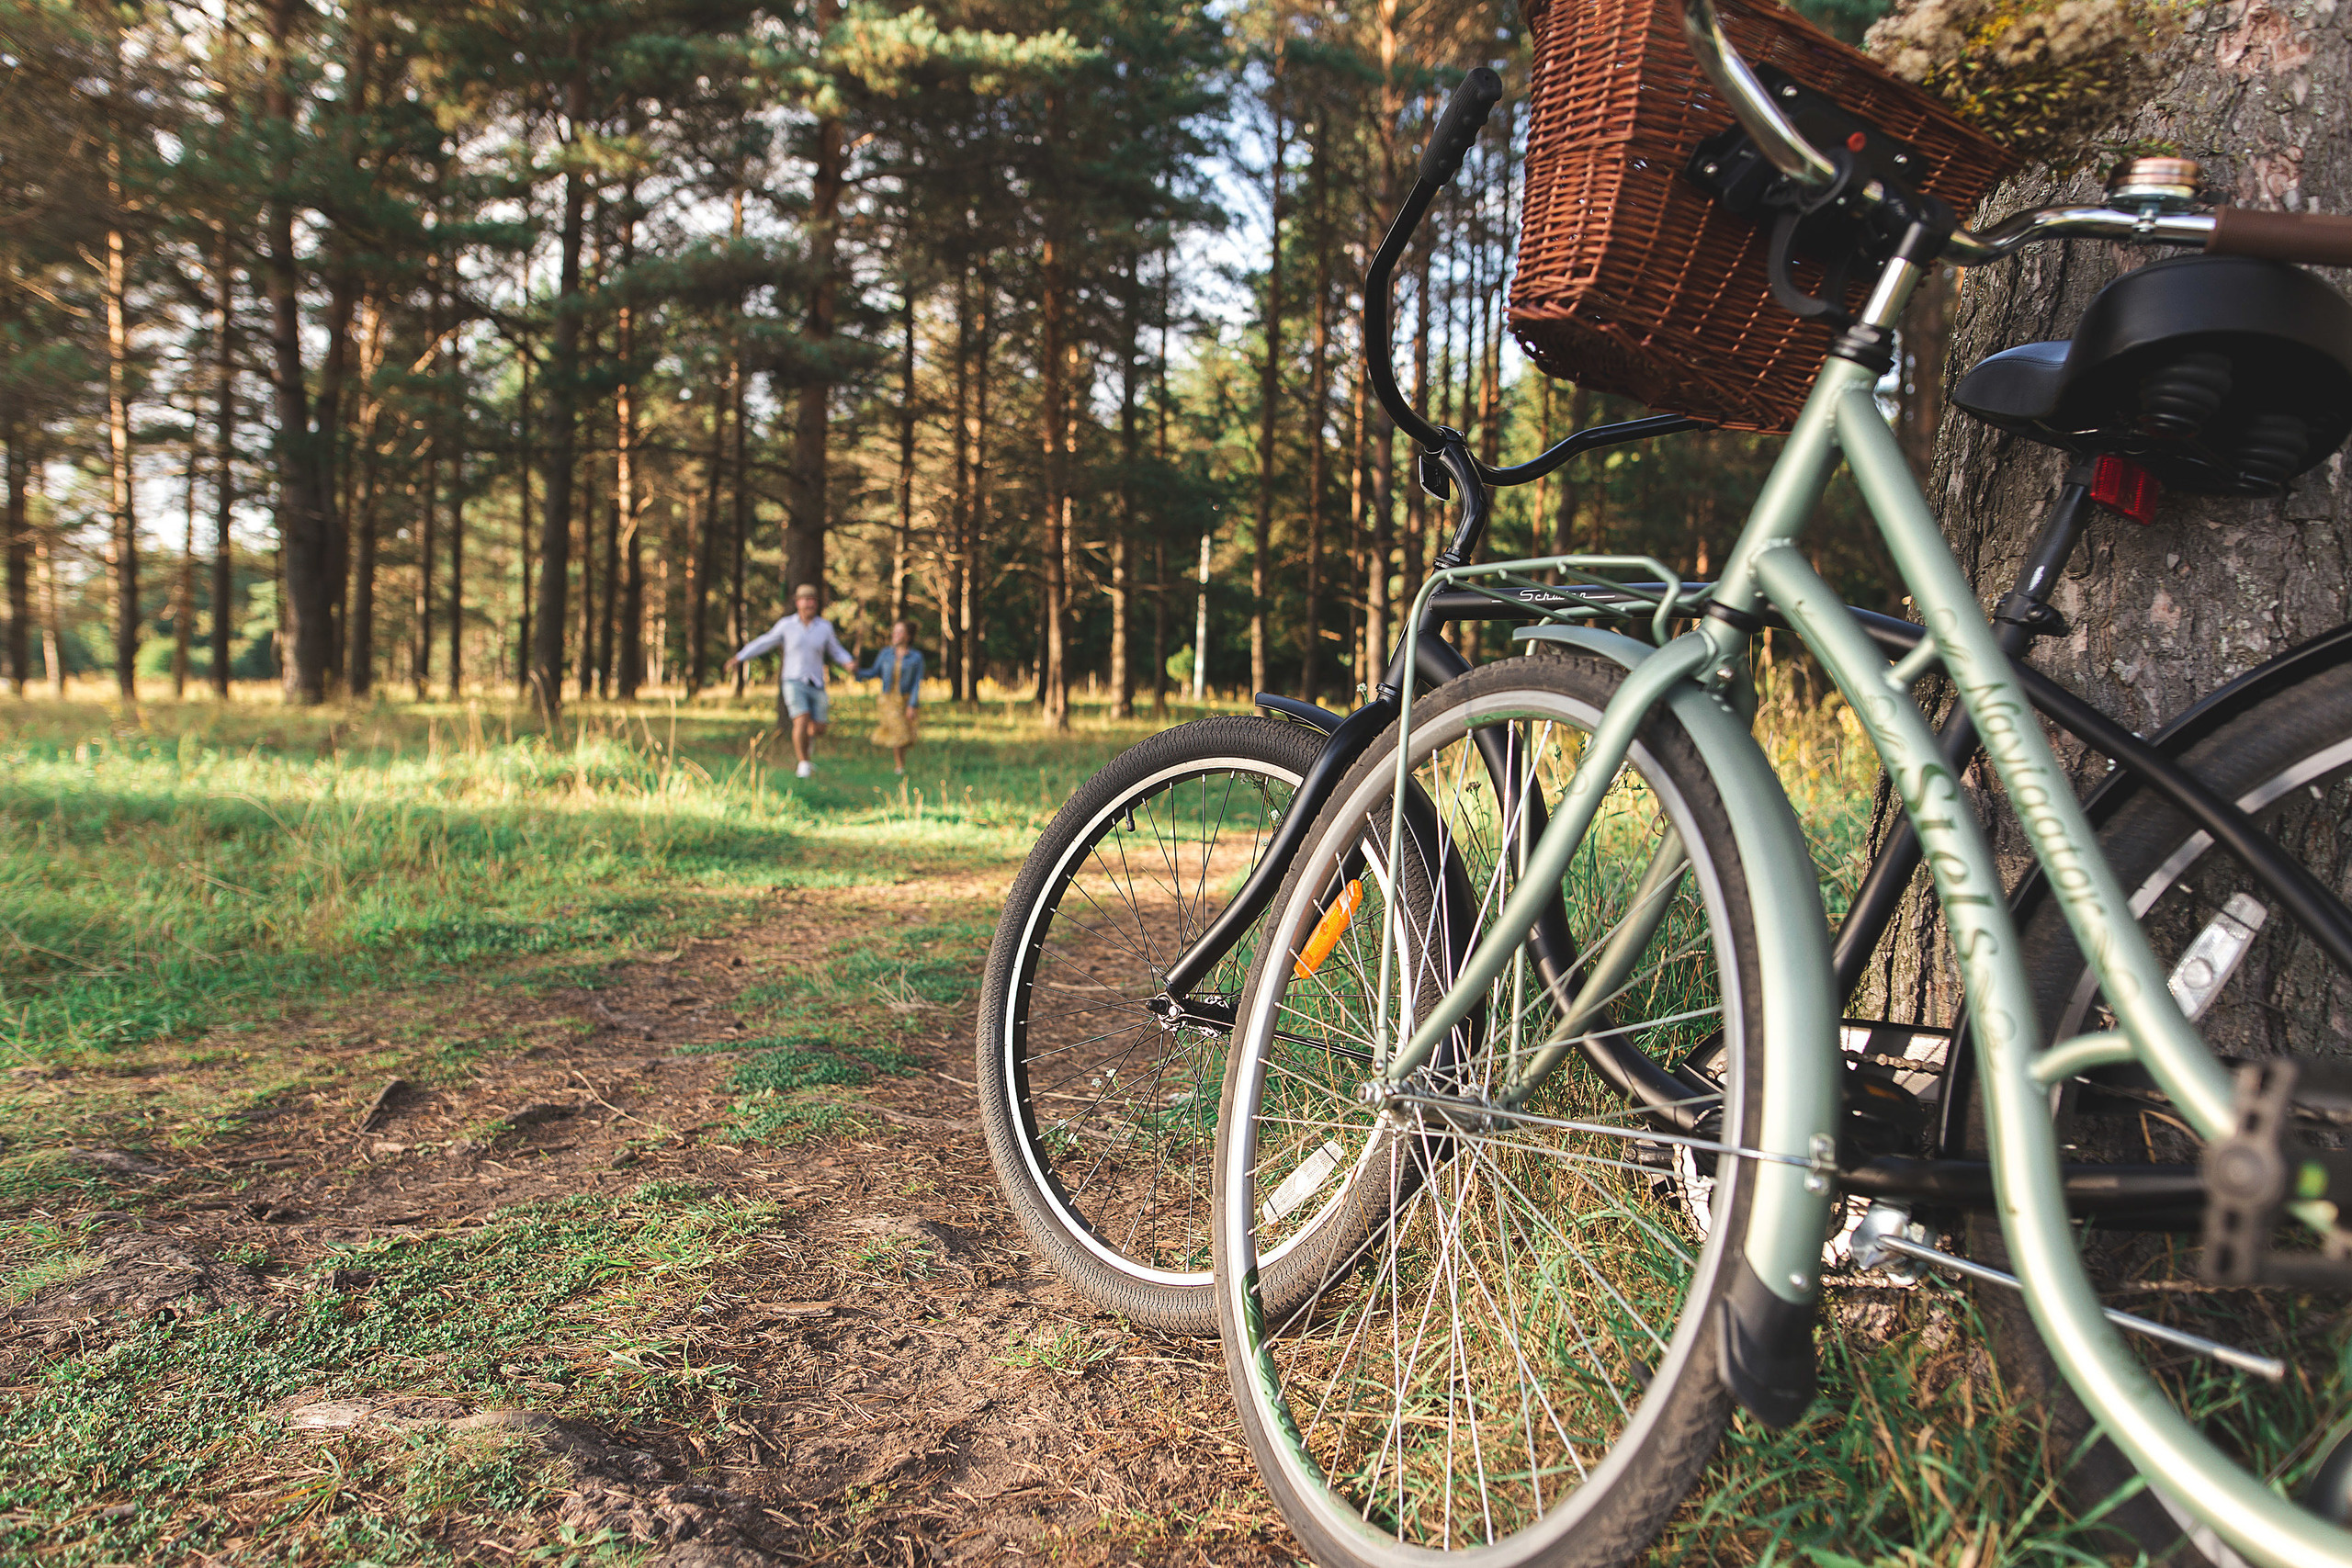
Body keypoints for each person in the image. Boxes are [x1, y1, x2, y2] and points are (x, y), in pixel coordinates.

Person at [725, 583, 855, 779]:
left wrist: (848, 662)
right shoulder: (787, 625)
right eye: (805, 599)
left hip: (816, 682)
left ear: (816, 603)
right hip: (793, 680)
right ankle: (803, 764)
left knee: (818, 728)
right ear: (797, 602)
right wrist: (740, 657)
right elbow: (764, 642)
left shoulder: (824, 627)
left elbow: (835, 650)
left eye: (812, 600)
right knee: (801, 720)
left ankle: (806, 755)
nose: (809, 603)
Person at [857, 620, 925, 774]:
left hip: (906, 699)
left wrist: (912, 705)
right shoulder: (885, 654)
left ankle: (900, 765)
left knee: (907, 735)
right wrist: (857, 672)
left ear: (908, 636)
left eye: (900, 632)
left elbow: (916, 683)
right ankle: (899, 767)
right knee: (899, 732)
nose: (895, 635)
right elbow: (874, 672)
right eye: (894, 631)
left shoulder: (916, 657)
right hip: (888, 699)